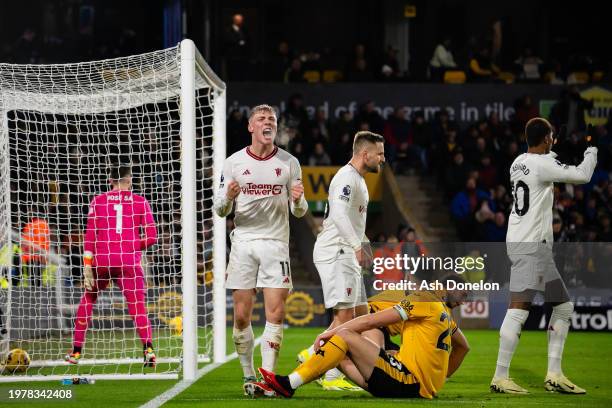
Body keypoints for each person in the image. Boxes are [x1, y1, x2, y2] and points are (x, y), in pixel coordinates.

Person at [490, 117, 597, 394]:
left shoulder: (518, 162)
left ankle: (554, 374)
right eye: (551, 136)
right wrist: (591, 150)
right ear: (547, 138)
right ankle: (500, 377)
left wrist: (553, 151)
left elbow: (545, 166)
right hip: (532, 246)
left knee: (562, 307)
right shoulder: (543, 164)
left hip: (523, 241)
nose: (553, 139)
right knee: (519, 308)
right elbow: (582, 176)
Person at [214, 104, 308, 397]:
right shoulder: (233, 162)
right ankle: (247, 374)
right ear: (251, 127)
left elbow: (301, 212)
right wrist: (228, 197)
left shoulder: (290, 162)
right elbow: (219, 210)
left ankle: (268, 379)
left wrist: (298, 201)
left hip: (276, 244)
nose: (268, 122)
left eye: (272, 119)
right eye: (261, 119)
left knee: (275, 313)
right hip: (243, 242)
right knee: (241, 316)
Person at [257, 277, 470, 399]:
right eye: (462, 295)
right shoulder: (446, 316)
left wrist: (329, 331)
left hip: (406, 382)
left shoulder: (425, 300)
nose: (462, 302)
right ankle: (278, 386)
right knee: (337, 354)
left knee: (345, 335)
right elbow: (464, 347)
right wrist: (439, 378)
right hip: (408, 384)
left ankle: (288, 383)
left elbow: (369, 322)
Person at [296, 131, 385, 391]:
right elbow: (338, 214)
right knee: (345, 317)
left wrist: (364, 242)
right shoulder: (346, 178)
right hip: (336, 251)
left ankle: (322, 363)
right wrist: (357, 245)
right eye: (379, 153)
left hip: (347, 251)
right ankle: (320, 364)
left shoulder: (358, 180)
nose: (383, 158)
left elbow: (353, 221)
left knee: (360, 315)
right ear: (365, 154)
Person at [65, 165, 158, 366]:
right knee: (137, 307)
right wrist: (131, 244)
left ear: (110, 181)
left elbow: (90, 236)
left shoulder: (97, 201)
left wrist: (87, 266)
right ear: (129, 180)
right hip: (128, 262)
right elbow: (152, 238)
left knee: (88, 299)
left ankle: (76, 352)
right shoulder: (141, 202)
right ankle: (149, 349)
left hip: (102, 259)